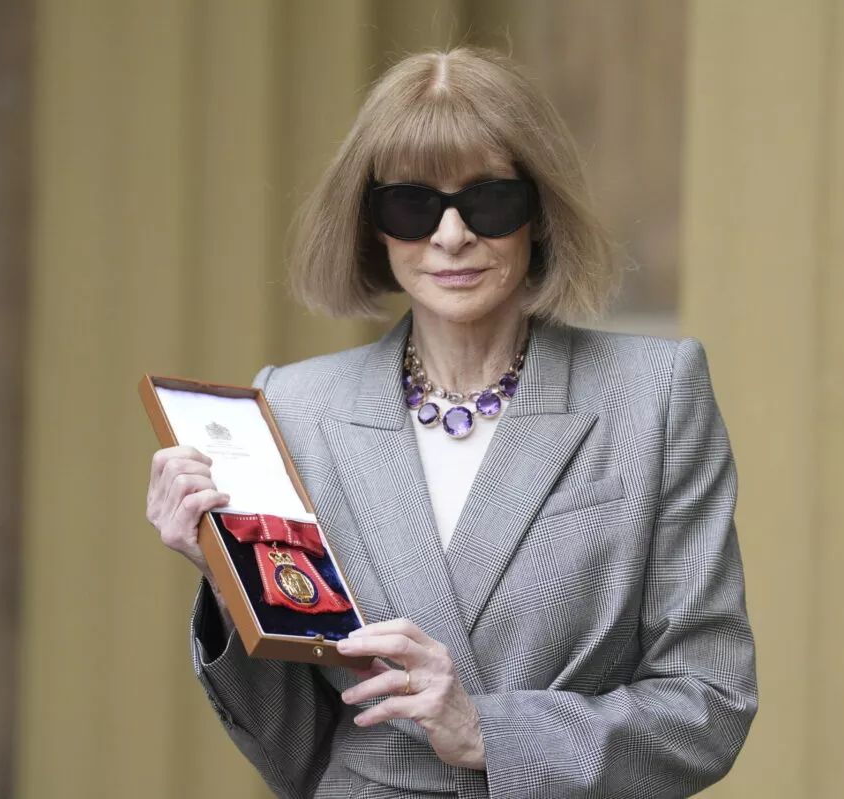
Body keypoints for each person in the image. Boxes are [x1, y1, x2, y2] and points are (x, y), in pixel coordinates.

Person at [145, 46, 756, 798]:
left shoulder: (653, 395)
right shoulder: (293, 408)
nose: (451, 235)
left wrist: (489, 732)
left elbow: (710, 701)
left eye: (489, 201)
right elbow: (297, 748)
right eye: (411, 205)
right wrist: (226, 575)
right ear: (371, 225)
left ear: (539, 211)